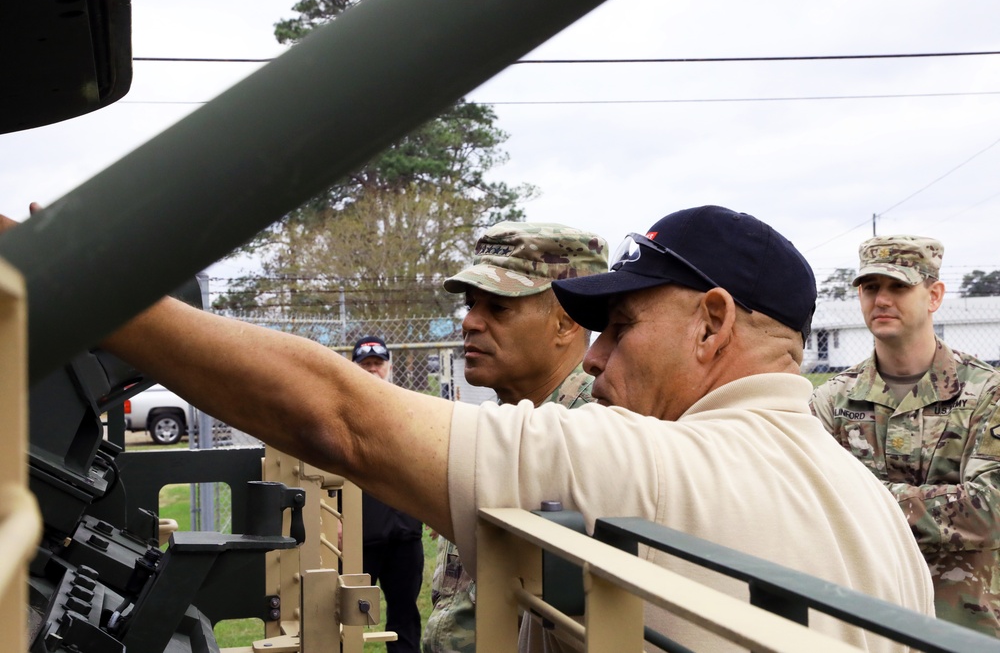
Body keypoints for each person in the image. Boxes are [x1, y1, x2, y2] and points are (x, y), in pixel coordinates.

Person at [96, 205, 934, 652]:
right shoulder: (872, 507)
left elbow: (341, 418)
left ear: (711, 323)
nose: (597, 357)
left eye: (621, 325)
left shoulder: (640, 462)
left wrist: (82, 287)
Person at [423, 222, 608, 653]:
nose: (469, 322)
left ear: (566, 322)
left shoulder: (595, 435)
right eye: (471, 305)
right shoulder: (504, 426)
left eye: (499, 308)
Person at [810, 235, 1000, 636]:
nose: (881, 299)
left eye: (899, 286)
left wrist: (863, 498)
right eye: (870, 287)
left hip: (964, 624)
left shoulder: (986, 393)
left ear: (934, 296)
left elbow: (991, 509)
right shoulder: (831, 399)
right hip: (865, 622)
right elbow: (808, 504)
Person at [352, 336, 424, 653]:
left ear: (389, 367)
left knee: (404, 615)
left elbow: (428, 464)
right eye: (365, 365)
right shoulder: (339, 416)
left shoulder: (412, 411)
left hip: (406, 536)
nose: (372, 371)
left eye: (377, 365)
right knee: (345, 616)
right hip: (359, 538)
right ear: (353, 369)